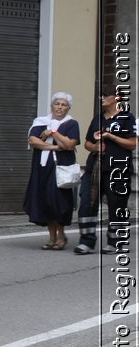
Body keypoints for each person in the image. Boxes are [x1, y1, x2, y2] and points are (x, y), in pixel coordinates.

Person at [77, 86, 136, 254]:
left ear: (116, 98)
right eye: (100, 95)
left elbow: (132, 144)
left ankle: (115, 242)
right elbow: (87, 143)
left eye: (105, 95)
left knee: (116, 205)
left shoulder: (127, 118)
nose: (101, 98)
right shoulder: (97, 119)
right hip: (94, 167)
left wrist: (111, 136)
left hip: (118, 168)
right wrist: (95, 147)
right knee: (87, 202)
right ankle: (86, 242)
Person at [23, 92, 81, 251]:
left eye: (63, 105)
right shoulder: (41, 121)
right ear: (52, 106)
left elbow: (70, 144)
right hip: (43, 168)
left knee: (58, 202)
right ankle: (52, 237)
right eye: (57, 104)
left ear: (68, 108)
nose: (60, 107)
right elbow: (33, 141)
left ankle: (61, 235)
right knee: (46, 201)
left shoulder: (71, 124)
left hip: (61, 169)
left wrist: (53, 132)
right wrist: (55, 146)